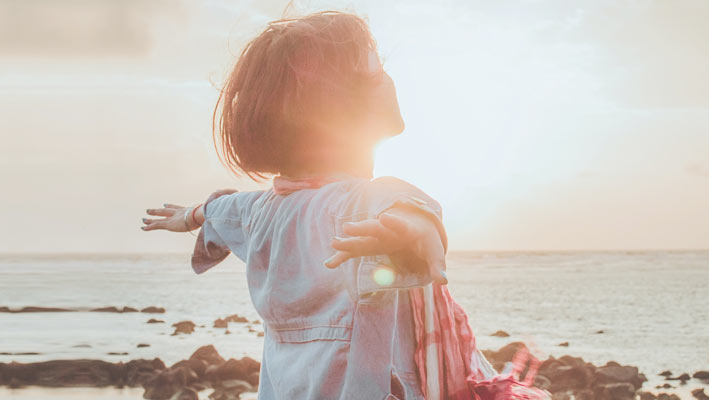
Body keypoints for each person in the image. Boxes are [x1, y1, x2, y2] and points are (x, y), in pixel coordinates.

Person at [140, 11, 481, 399]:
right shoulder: (361, 203)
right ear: (334, 106)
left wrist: (189, 216)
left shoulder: (259, 212)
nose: (388, 78)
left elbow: (220, 210)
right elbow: (402, 207)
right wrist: (413, 231)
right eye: (375, 71)